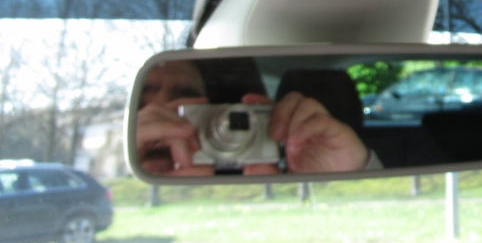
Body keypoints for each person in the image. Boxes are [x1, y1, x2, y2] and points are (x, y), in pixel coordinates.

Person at [135, 59, 380, 176]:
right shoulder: (119, 183)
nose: (161, 114)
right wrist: (130, 168)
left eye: (184, 104)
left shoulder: (259, 184)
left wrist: (347, 176)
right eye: (142, 105)